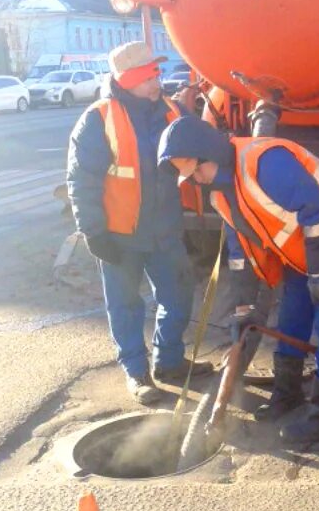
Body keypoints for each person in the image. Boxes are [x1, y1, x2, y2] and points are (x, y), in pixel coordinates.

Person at [157, 115, 319, 443]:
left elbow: (317, 210)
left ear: (208, 153)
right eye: (191, 177)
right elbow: (239, 255)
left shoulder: (265, 163)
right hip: (304, 248)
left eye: (197, 171)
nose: (197, 181)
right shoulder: (222, 195)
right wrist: (243, 309)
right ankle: (287, 394)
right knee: (292, 315)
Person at [66, 42, 213, 405]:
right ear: (127, 80)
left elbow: (197, 154)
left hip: (165, 231)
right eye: (148, 77)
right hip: (119, 236)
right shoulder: (98, 118)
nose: (157, 82)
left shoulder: (171, 110)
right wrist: (94, 231)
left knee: (178, 297)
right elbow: (82, 179)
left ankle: (170, 362)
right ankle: (137, 372)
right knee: (125, 305)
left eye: (157, 74)